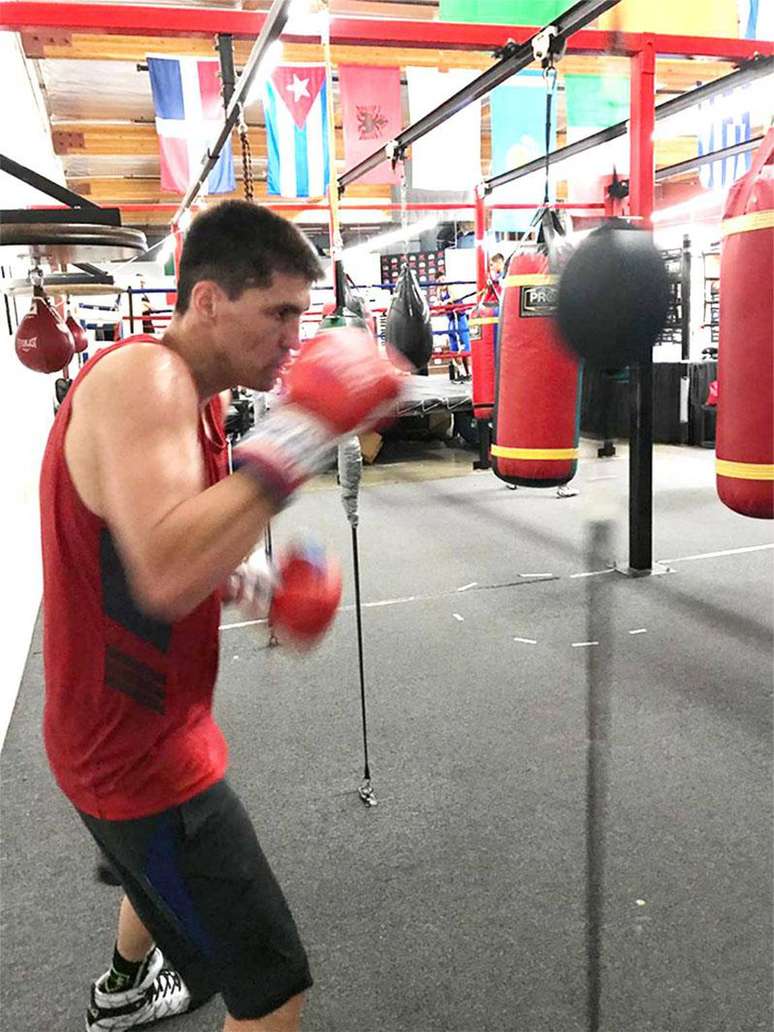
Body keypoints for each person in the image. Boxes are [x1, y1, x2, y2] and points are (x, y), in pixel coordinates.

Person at [39, 200, 401, 1032]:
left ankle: (126, 988)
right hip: (137, 757)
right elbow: (166, 571)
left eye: (299, 319)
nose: (291, 339)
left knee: (150, 877)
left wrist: (250, 581)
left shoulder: (192, 397)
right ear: (208, 301)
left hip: (130, 723)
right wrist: (303, 436)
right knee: (273, 991)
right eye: (278, 313)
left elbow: (142, 542)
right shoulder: (145, 378)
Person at [434, 270, 470, 381]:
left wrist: (447, 302)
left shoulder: (451, 286)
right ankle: (462, 373)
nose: (442, 282)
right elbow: (438, 304)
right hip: (450, 320)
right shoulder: (439, 291)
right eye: (439, 281)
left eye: (443, 279)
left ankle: (469, 372)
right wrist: (440, 304)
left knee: (464, 347)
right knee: (453, 349)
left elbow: (456, 296)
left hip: (459, 318)